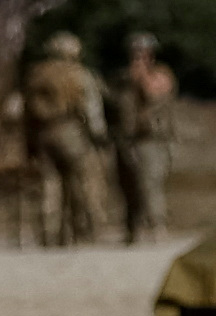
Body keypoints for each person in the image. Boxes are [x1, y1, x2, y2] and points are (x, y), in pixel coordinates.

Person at [23, 29, 110, 250]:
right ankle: (86, 232)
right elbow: (91, 109)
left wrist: (30, 141)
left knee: (48, 186)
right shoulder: (78, 74)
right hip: (70, 130)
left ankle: (49, 235)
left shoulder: (36, 74)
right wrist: (99, 136)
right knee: (84, 183)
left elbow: (26, 110)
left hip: (43, 134)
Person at [113, 31, 178, 246]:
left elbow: (155, 93)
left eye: (143, 52)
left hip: (151, 140)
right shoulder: (124, 78)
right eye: (135, 52)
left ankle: (157, 227)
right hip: (127, 139)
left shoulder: (160, 74)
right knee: (128, 187)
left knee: (149, 184)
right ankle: (134, 230)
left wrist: (140, 75)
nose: (138, 56)